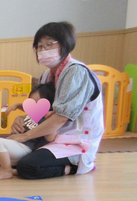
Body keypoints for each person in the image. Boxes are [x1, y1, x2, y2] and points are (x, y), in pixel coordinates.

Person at [6, 22, 104, 179]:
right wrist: (22, 120)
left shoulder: (76, 72)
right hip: (49, 136)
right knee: (7, 153)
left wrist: (25, 136)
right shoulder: (46, 75)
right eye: (39, 46)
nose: (43, 50)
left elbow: (60, 117)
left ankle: (74, 167)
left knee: (27, 166)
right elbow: (41, 113)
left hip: (74, 142)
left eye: (49, 44)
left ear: (65, 45)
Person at [0, 82, 57, 179]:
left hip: (24, 149)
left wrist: (52, 118)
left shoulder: (47, 119)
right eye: (31, 102)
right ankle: (15, 171)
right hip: (13, 149)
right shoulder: (30, 115)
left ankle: (6, 171)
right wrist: (17, 105)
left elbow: (50, 138)